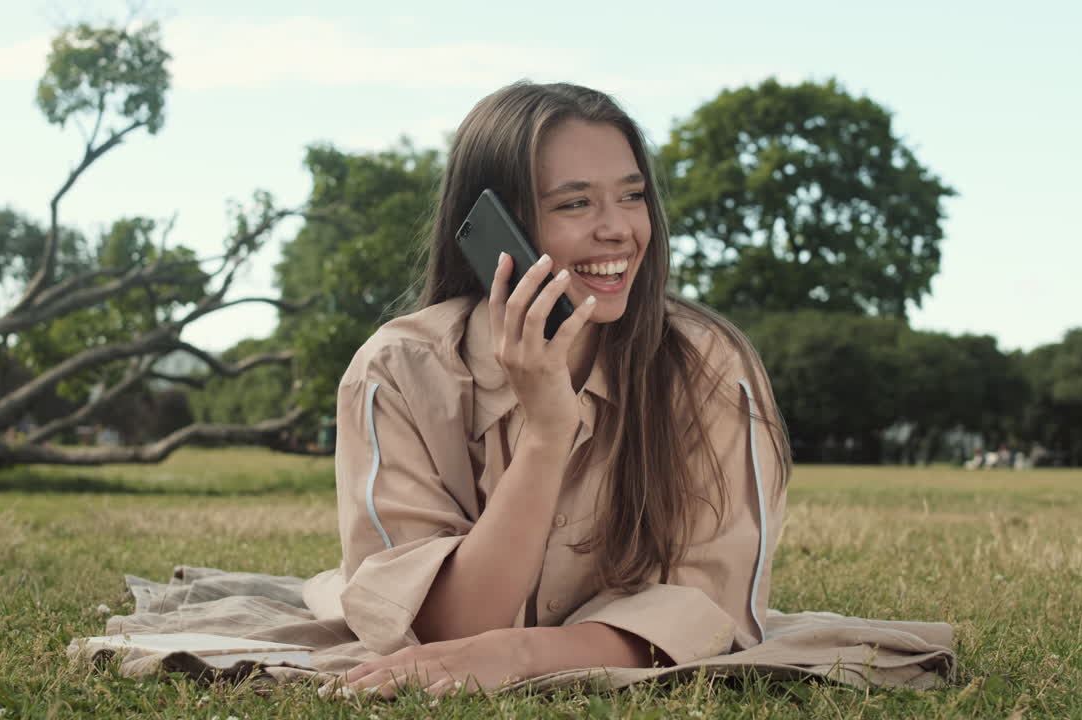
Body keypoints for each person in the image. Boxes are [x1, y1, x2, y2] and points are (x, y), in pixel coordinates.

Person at [313, 81, 793, 698]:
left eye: (632, 196)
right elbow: (446, 633)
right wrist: (546, 433)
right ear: (496, 227)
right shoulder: (397, 372)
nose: (619, 229)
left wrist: (526, 652)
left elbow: (710, 611)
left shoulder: (706, 367)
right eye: (574, 205)